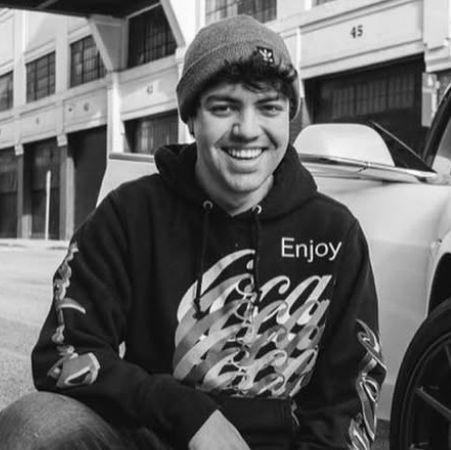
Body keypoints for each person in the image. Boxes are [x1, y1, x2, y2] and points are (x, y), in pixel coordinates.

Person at [0, 14, 386, 450]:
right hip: (152, 436)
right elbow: (62, 352)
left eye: (269, 107)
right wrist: (187, 413)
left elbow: (347, 397)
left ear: (288, 117)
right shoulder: (130, 214)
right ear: (191, 118)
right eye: (224, 107)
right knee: (33, 425)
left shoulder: (334, 233)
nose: (247, 130)